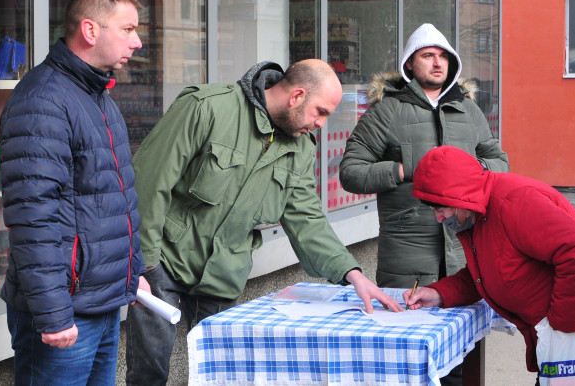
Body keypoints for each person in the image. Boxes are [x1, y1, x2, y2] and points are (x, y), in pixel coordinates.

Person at [125, 59, 403, 385]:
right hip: (163, 263)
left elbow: (307, 218)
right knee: (149, 373)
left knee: (224, 375)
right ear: (296, 96)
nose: (322, 125)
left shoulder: (300, 148)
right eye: (321, 112)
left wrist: (352, 274)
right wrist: (145, 263)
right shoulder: (206, 108)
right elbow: (148, 183)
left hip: (224, 272)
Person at [0, 0, 148, 385]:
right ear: (90, 30)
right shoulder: (43, 100)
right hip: (64, 313)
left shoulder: (97, 97)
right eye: (129, 29)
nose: (137, 43)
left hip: (97, 302)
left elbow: (113, 202)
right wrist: (52, 312)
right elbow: (34, 218)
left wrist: (133, 272)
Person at [405, 145, 575, 386]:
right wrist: (438, 293)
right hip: (569, 328)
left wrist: (562, 328)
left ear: (460, 196)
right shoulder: (476, 215)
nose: (438, 218)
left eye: (441, 208)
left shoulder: (513, 202)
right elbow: (486, 273)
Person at [340, 23, 509, 289]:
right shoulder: (387, 110)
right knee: (408, 327)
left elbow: (500, 163)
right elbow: (351, 171)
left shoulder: (468, 110)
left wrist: (472, 167)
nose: (437, 63)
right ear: (409, 63)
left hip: (467, 255)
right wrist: (406, 170)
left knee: (469, 330)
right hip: (406, 260)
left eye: (443, 56)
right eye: (428, 56)